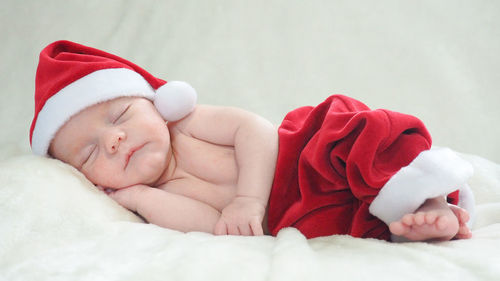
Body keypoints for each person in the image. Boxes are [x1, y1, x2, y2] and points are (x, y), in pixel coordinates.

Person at [30, 40, 475, 242]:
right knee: (356, 223)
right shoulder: (155, 194)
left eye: (120, 114)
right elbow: (214, 227)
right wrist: (139, 196)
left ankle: (426, 191)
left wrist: (247, 199)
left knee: (354, 135)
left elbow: (254, 130)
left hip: (304, 159)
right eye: (89, 152)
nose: (114, 140)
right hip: (297, 213)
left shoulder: (185, 123)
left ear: (156, 104)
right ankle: (420, 221)